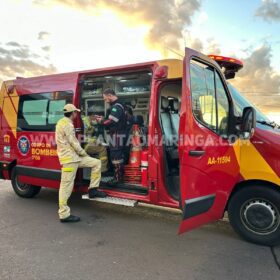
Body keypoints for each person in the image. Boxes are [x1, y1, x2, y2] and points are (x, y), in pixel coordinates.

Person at [55, 104, 107, 223]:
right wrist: (83, 153)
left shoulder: (62, 122)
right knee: (66, 187)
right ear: (72, 113)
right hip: (69, 159)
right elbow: (73, 142)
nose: (76, 114)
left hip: (75, 158)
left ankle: (93, 190)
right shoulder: (67, 124)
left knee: (96, 163)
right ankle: (64, 214)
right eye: (75, 112)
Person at [96, 89, 127, 185]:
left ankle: (118, 179)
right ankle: (118, 177)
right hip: (119, 134)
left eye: (105, 99)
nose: (105, 101)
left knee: (116, 157)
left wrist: (101, 121)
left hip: (117, 135)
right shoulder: (121, 105)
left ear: (109, 95)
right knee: (117, 156)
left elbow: (110, 121)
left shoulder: (116, 107)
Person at [82, 107, 108, 173]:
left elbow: (93, 135)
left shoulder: (91, 122)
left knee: (103, 146)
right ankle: (103, 171)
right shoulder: (84, 123)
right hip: (84, 145)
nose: (98, 119)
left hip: (89, 143)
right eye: (97, 117)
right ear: (92, 116)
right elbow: (81, 138)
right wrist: (94, 141)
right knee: (102, 149)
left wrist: (99, 141)